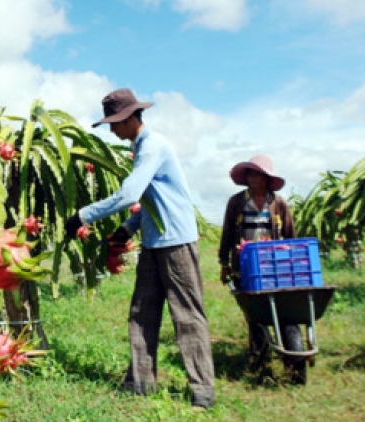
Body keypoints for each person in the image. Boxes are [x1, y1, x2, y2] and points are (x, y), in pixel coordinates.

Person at [64, 88, 215, 409]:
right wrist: (126, 229)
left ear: (133, 118)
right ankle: (140, 382)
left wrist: (82, 215)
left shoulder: (153, 147)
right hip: (153, 242)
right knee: (142, 313)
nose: (113, 130)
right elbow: (149, 203)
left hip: (176, 242)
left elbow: (130, 194)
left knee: (187, 316)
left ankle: (203, 389)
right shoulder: (141, 149)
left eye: (116, 123)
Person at [218, 154, 298, 373]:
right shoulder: (237, 202)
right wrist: (224, 262)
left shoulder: (278, 203)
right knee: (255, 312)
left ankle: (288, 349)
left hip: (274, 264)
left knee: (281, 307)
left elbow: (290, 234)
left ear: (267, 178)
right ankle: (258, 354)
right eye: (250, 173)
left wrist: (292, 259)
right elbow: (227, 233)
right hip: (246, 265)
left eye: (259, 174)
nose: (254, 178)